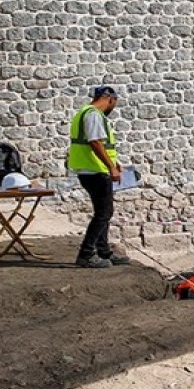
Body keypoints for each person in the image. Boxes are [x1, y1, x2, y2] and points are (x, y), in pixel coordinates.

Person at [67, 85, 129, 268]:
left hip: (91, 169)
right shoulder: (93, 114)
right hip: (95, 170)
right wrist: (111, 167)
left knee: (103, 212)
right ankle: (86, 254)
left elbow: (102, 145)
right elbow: (95, 142)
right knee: (104, 213)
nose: (113, 107)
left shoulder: (85, 112)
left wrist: (114, 162)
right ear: (110, 99)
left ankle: (104, 252)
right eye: (114, 103)